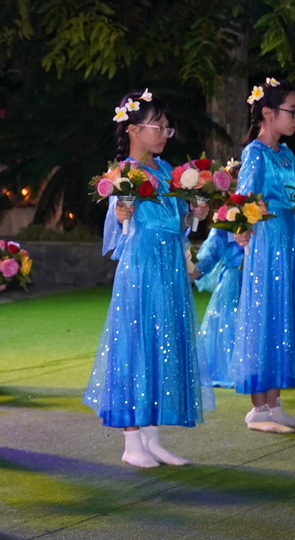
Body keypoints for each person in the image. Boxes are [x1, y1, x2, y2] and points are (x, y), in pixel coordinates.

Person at [83, 89, 210, 467]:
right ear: (134, 129)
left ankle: (152, 438)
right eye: (159, 126)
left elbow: (175, 222)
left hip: (169, 265)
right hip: (141, 266)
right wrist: (120, 213)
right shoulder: (123, 172)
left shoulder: (167, 170)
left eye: (168, 128)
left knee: (163, 343)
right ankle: (131, 440)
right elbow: (119, 227)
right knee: (136, 342)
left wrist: (194, 213)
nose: (165, 134)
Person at [231, 78, 295, 433]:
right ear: (269, 113)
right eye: (293, 111)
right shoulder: (255, 153)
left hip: (289, 246)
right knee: (264, 318)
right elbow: (243, 200)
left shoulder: (286, 154)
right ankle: (258, 409)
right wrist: (241, 228)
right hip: (267, 246)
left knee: (283, 318)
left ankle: (274, 405)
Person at [194, 224, 244, 391]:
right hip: (233, 282)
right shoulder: (226, 221)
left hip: (258, 279)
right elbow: (212, 250)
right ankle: (231, 369)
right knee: (229, 322)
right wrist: (197, 270)